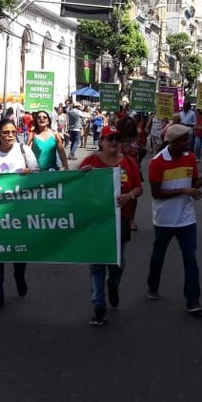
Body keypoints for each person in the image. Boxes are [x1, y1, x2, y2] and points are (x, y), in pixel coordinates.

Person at [79, 125, 143, 326]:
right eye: (109, 138)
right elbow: (76, 188)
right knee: (97, 265)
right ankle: (99, 306)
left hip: (120, 220)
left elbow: (139, 188)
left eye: (116, 138)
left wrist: (129, 195)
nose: (114, 142)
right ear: (101, 141)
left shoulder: (129, 162)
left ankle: (113, 285)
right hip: (97, 221)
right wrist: (83, 174)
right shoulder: (91, 161)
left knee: (118, 263)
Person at [0, 118, 39, 311]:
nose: (10, 136)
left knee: (19, 249)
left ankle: (19, 276)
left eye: (12, 132)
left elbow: (38, 174)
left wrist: (30, 172)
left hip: (19, 210)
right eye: (5, 132)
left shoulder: (24, 150)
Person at [146, 124, 202, 315]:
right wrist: (183, 191)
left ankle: (193, 300)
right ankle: (153, 285)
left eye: (188, 139)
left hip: (186, 218)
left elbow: (194, 185)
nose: (188, 143)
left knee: (190, 259)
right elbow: (156, 193)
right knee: (158, 256)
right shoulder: (157, 162)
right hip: (164, 219)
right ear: (172, 142)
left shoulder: (190, 157)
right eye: (184, 140)